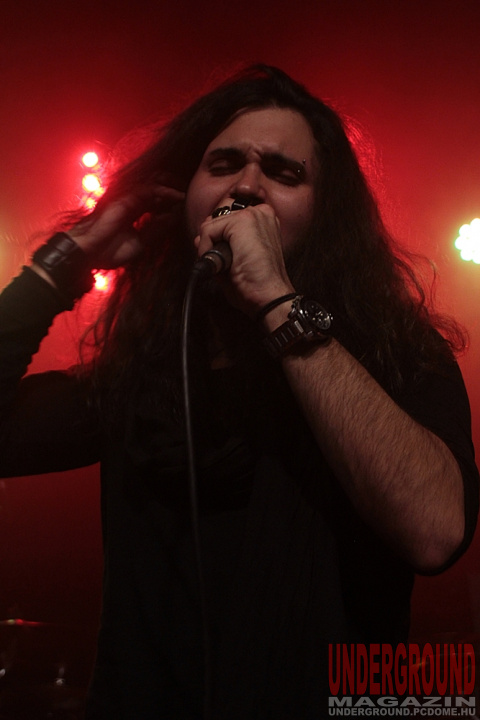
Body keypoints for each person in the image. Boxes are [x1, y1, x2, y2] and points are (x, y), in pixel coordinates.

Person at [0, 64, 478, 719]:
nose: (247, 185)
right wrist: (64, 261)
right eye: (223, 164)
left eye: (283, 172)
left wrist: (276, 299)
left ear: (326, 214)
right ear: (185, 198)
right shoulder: (140, 376)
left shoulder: (395, 354)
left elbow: (435, 532)